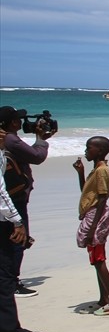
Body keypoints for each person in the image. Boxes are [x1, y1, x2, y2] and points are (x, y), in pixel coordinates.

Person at [1, 105, 54, 298]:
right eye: (19, 120)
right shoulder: (10, 139)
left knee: (8, 240)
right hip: (14, 198)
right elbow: (36, 157)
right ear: (13, 123)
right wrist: (41, 140)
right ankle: (12, 282)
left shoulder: (4, 139)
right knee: (18, 239)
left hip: (8, 197)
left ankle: (7, 279)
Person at [0, 139, 45, 332]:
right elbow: (2, 193)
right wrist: (17, 221)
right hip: (4, 222)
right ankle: (10, 331)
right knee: (5, 275)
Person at [75, 136, 109, 316]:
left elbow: (102, 198)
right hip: (93, 214)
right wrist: (80, 173)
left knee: (98, 258)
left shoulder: (102, 171)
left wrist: (93, 227)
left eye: (89, 147)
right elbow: (88, 193)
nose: (86, 150)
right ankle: (104, 299)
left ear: (100, 151)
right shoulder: (95, 170)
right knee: (95, 259)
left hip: (96, 215)